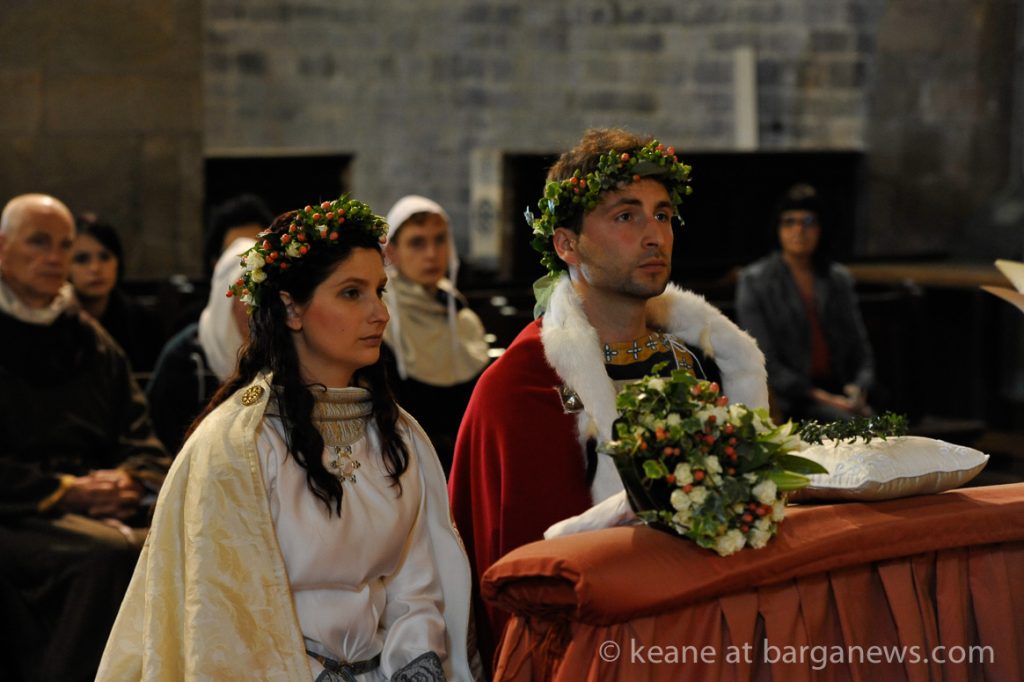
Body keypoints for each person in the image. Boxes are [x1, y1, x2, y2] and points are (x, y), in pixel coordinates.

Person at [99, 196, 479, 681]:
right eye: (351, 293)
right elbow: (225, 618)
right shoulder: (239, 445)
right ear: (291, 309)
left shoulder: (396, 434)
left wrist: (411, 666)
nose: (380, 313)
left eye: (380, 291)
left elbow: (417, 587)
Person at [447, 129, 769, 668]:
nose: (655, 236)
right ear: (567, 244)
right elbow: (518, 571)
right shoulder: (524, 382)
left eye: (662, 215)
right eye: (626, 216)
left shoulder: (688, 363)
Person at [0, 194, 170, 682]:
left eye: (65, 245)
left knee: (169, 541)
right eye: (39, 242)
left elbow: (139, 436)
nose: (57, 257)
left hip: (95, 508)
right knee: (112, 555)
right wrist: (65, 491)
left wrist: (130, 482)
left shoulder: (91, 341)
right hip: (19, 510)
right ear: (2, 249)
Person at [735, 183, 875, 421]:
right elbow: (764, 359)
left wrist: (858, 389)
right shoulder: (755, 281)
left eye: (808, 222)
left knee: (884, 431)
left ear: (821, 229)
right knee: (853, 426)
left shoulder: (836, 278)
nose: (799, 230)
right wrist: (820, 397)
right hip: (789, 399)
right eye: (789, 222)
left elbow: (861, 351)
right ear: (777, 228)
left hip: (840, 389)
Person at [382, 195, 490, 475]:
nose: (431, 253)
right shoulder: (380, 319)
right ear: (392, 252)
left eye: (440, 240)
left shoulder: (462, 315)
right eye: (417, 242)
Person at [146, 236, 255, 453]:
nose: (252, 304)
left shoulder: (282, 353)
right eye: (244, 290)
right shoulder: (185, 359)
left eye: (261, 291)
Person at [69, 215, 166, 373]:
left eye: (105, 257)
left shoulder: (144, 323)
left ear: (117, 262)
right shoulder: (54, 322)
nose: (95, 268)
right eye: (82, 259)